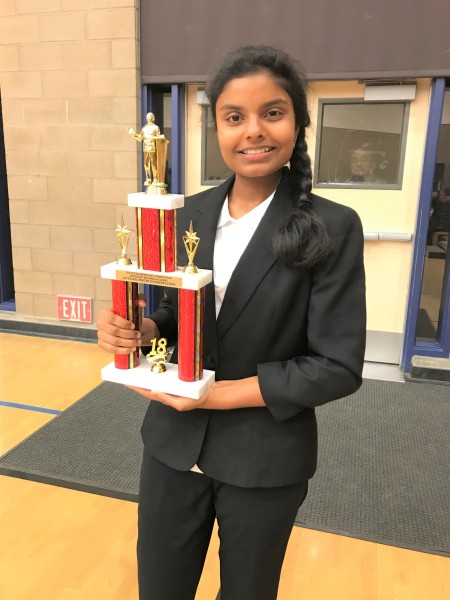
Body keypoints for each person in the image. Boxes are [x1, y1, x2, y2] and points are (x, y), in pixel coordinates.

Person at [97, 45, 366, 600]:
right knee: (160, 588)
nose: (253, 132)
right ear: (216, 127)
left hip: (264, 456)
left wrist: (213, 396)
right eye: (234, 117)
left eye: (272, 112)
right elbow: (177, 310)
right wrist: (143, 331)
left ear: (298, 122)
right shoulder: (188, 212)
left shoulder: (332, 226)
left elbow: (335, 367)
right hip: (172, 446)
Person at [128, 112, 167, 189]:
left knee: (154, 164)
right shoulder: (144, 128)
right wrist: (133, 134)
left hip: (153, 148)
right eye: (148, 117)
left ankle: (155, 179)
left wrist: (153, 138)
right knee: (146, 165)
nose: (149, 119)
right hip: (146, 148)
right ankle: (148, 179)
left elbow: (160, 138)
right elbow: (140, 138)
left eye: (150, 117)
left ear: (153, 118)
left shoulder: (156, 128)